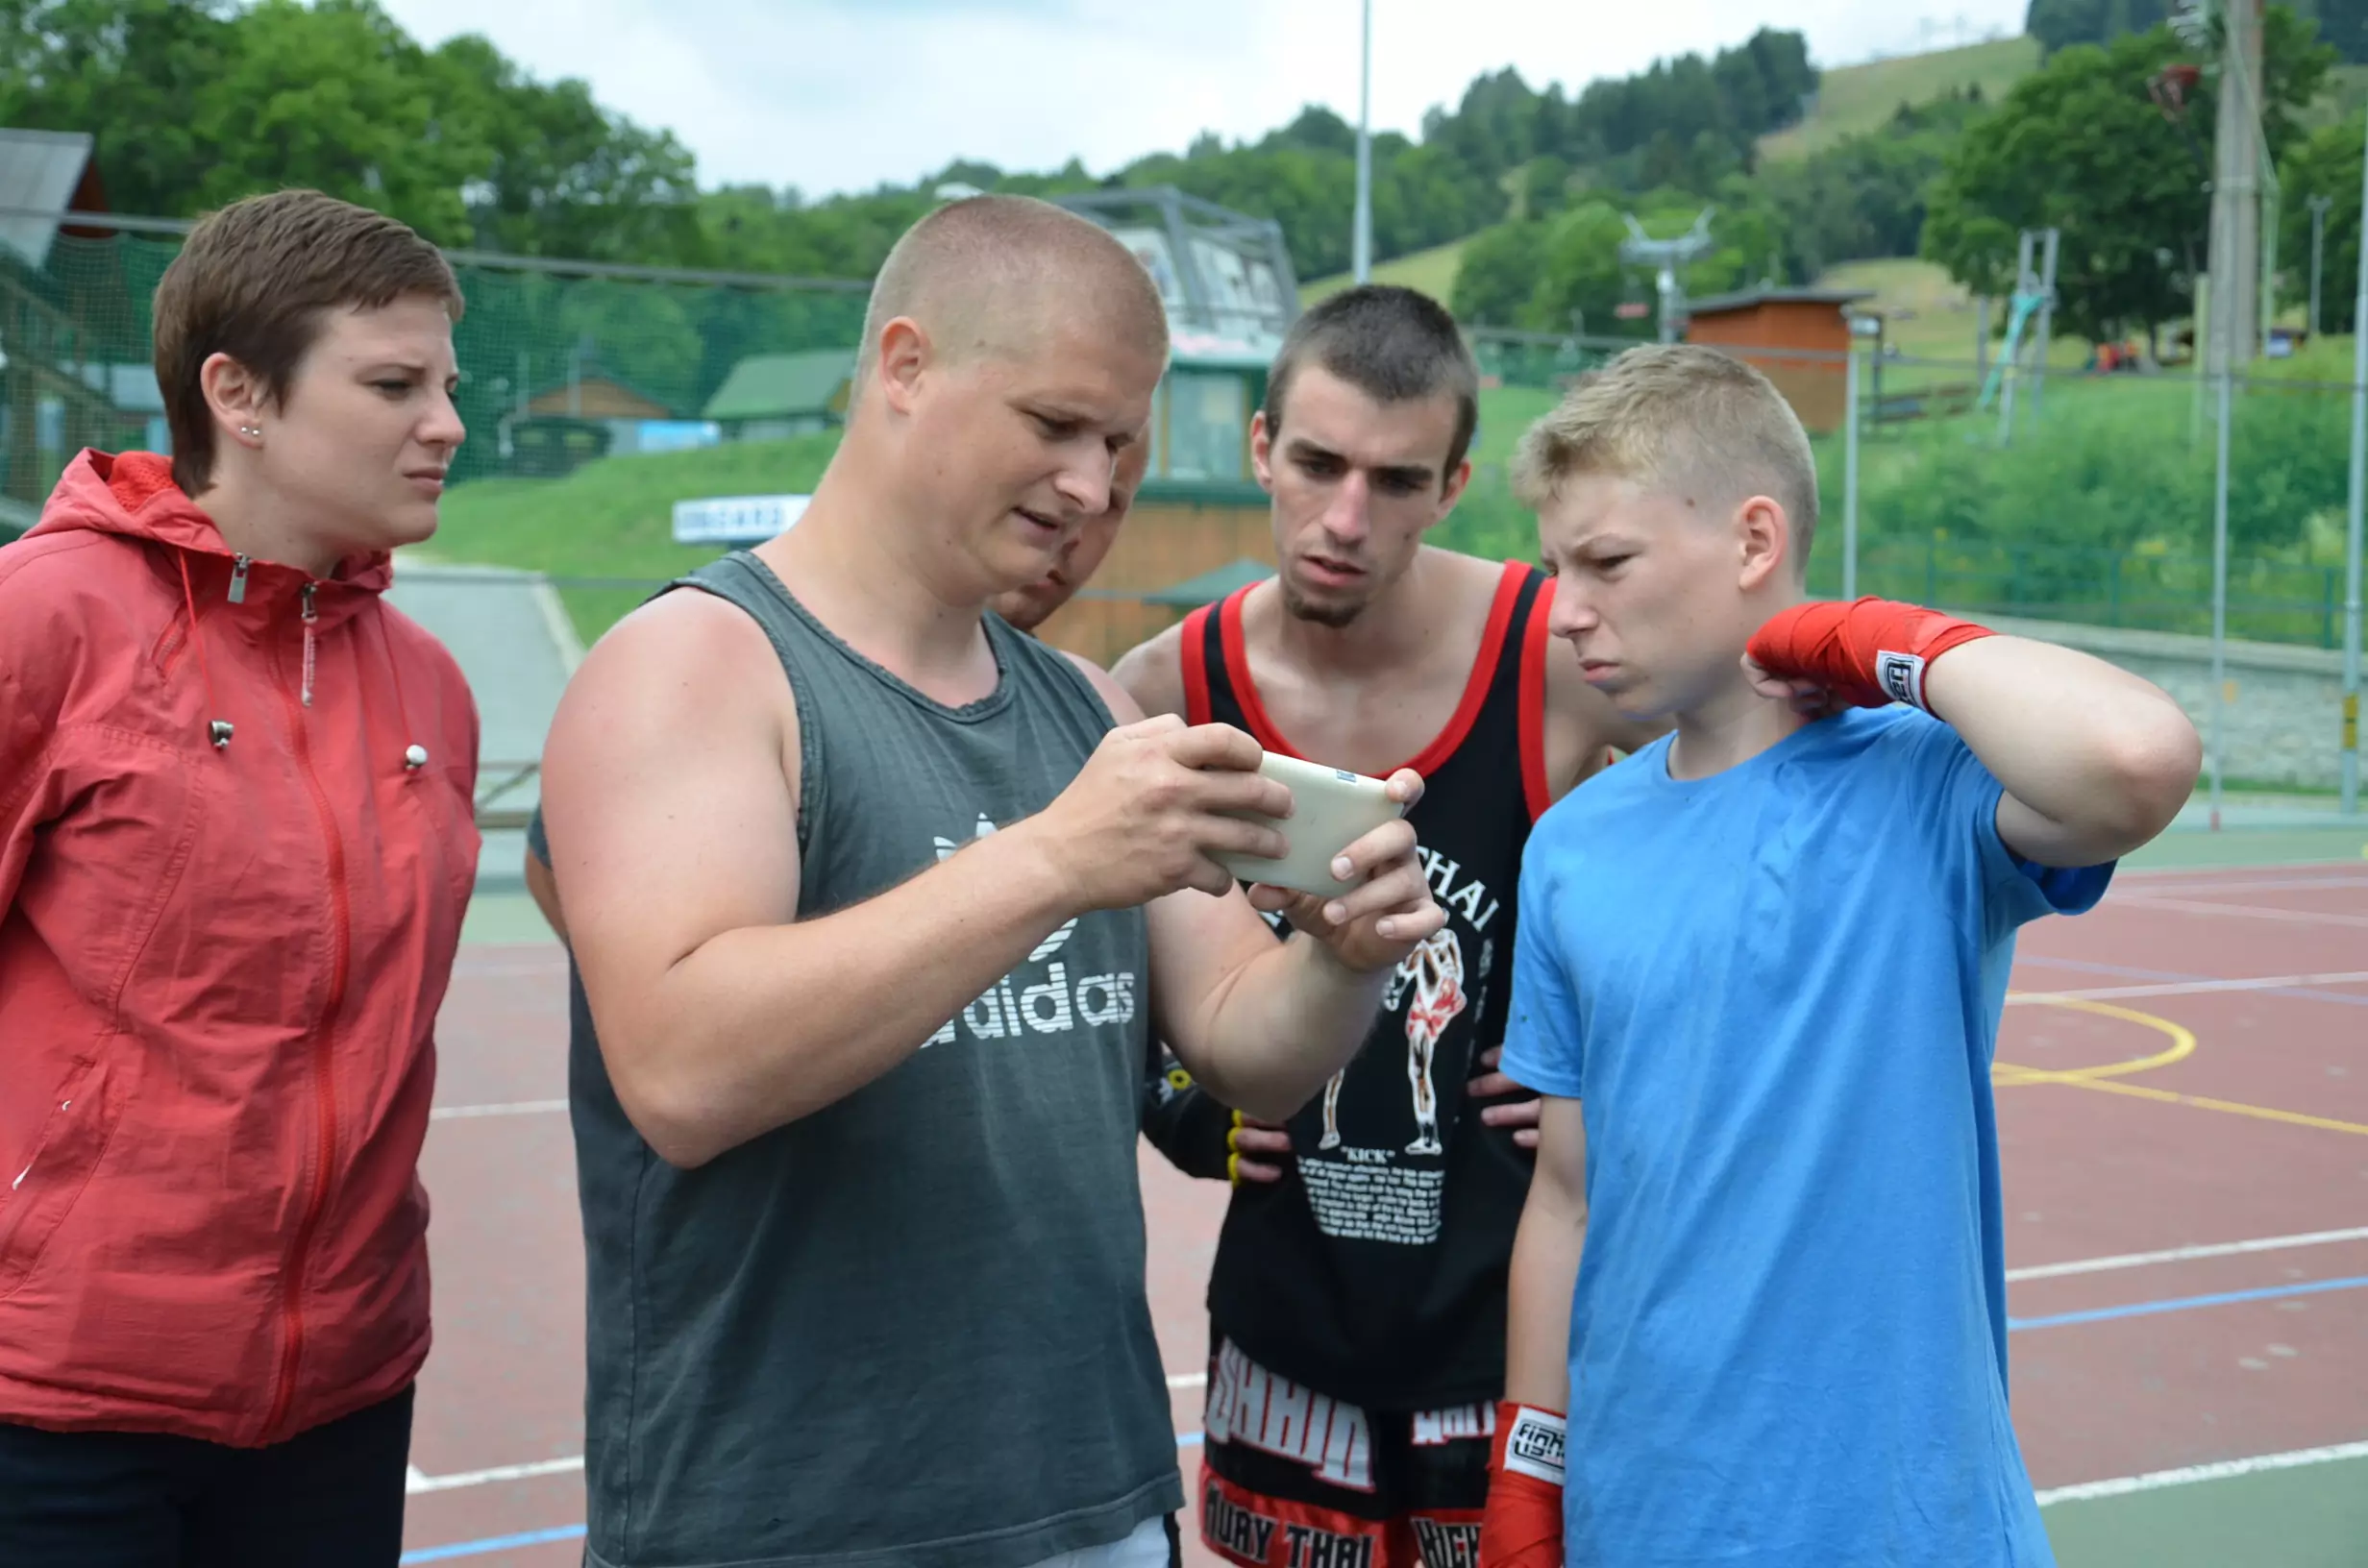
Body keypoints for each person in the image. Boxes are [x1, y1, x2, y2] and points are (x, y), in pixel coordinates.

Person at [534, 194, 1447, 1568]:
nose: (1089, 485)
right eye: (1054, 425)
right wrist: (1051, 860)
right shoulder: (694, 666)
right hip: (785, 1528)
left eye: (1117, 443)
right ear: (905, 366)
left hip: (1090, 1499)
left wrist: (1341, 958)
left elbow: (1248, 1053)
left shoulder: (1083, 705)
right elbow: (682, 1071)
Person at [1480, 343, 2200, 1568]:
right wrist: (1528, 1467)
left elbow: (2135, 759)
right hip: (1635, 1511)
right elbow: (1567, 1191)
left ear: (1755, 541)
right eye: (1556, 570)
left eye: (1607, 563)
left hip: (1893, 1520)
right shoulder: (1573, 845)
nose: (1567, 610)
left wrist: (1884, 643)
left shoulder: (1921, 780)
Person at [1114, 284, 1660, 1568]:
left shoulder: (1556, 655)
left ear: (1453, 485)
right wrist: (1184, 1105)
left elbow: (1745, 855)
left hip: (1512, 1327)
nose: (1347, 520)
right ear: (1262, 449)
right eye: (1318, 465)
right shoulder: (1167, 687)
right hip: (1286, 1326)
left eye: (1397, 480)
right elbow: (1089, 979)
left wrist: (1617, 1065)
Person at [0, 189, 479, 1565]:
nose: (446, 423)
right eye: (394, 384)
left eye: (448, 386)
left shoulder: (430, 687)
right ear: (239, 394)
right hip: (55, 1410)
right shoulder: (46, 618)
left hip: (344, 1393)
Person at [521, 437, 1149, 943]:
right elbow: (564, 883)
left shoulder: (1089, 699)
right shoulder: (722, 666)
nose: (1077, 512)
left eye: (1113, 501)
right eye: (1053, 429)